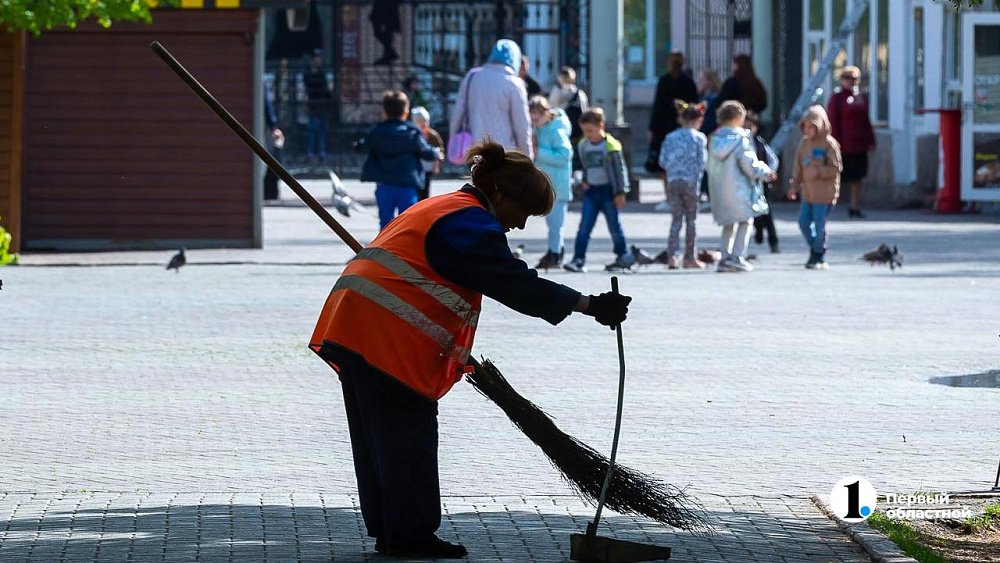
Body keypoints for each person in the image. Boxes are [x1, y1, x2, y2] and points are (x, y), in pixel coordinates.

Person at [309, 139, 633, 559]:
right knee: (406, 435)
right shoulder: (470, 224)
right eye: (524, 213)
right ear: (499, 194)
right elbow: (513, 282)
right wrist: (588, 305)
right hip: (384, 335)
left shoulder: (445, 208)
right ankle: (409, 537)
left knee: (381, 439)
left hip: (357, 326)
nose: (519, 225)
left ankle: (394, 531)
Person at [707, 101, 777, 273]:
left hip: (719, 190)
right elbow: (749, 163)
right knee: (746, 221)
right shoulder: (741, 139)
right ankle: (737, 257)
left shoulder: (715, 139)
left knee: (728, 223)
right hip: (740, 189)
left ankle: (725, 257)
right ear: (739, 118)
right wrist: (765, 172)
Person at [359, 90, 443, 229]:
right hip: (407, 185)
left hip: (385, 185)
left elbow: (364, 146)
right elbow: (426, 152)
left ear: (384, 112)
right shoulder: (412, 133)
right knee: (407, 224)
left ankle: (384, 249)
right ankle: (404, 250)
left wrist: (358, 144)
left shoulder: (378, 131)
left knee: (385, 224)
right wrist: (435, 153)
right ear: (405, 112)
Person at [564, 108, 634, 273]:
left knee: (615, 227)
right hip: (591, 191)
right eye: (584, 131)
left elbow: (620, 171)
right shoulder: (583, 145)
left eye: (590, 130)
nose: (587, 134)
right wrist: (583, 180)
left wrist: (621, 192)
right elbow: (580, 166)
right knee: (584, 227)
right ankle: (578, 259)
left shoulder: (611, 146)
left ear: (601, 125)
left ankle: (622, 257)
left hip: (609, 191)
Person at [450, 39, 533, 158]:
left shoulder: (472, 76)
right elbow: (522, 126)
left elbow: (457, 113)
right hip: (504, 152)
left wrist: (454, 141)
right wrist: (527, 156)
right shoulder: (514, 84)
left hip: (475, 150)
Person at [787, 105, 843, 270]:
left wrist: (819, 172)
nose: (808, 130)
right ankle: (816, 247)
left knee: (820, 224)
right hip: (808, 193)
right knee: (803, 222)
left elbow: (835, 168)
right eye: (805, 126)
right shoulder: (804, 144)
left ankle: (818, 254)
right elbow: (798, 167)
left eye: (812, 126)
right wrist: (794, 186)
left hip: (825, 194)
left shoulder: (829, 144)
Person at [656, 100, 708, 269]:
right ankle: (690, 258)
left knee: (676, 220)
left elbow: (662, 161)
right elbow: (703, 162)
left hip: (672, 182)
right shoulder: (699, 138)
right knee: (691, 221)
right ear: (697, 120)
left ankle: (672, 257)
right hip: (691, 183)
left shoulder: (669, 137)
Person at [528, 96, 573, 270]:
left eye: (537, 117)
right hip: (549, 184)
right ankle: (555, 251)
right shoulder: (543, 128)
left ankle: (555, 253)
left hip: (558, 185)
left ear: (546, 114)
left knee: (556, 224)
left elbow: (564, 156)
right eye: (532, 118)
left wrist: (539, 151)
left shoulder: (556, 130)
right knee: (552, 222)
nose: (535, 121)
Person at [827, 65, 876, 218]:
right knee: (838, 175)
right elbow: (832, 121)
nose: (851, 81)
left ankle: (854, 206)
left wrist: (871, 140)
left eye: (854, 79)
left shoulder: (860, 97)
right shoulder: (837, 97)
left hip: (858, 143)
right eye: (847, 78)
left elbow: (866, 120)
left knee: (857, 176)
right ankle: (830, 204)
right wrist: (834, 143)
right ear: (841, 80)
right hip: (843, 144)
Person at [647, 51, 698, 173]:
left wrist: (652, 128)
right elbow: (694, 104)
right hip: (684, 124)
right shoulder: (688, 82)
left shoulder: (664, 81)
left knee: (665, 164)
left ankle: (668, 189)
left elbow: (657, 106)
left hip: (663, 127)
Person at [746, 111, 781, 253]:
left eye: (751, 127)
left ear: (755, 128)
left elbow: (773, 160)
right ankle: (758, 229)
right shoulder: (739, 143)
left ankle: (774, 242)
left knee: (766, 212)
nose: (748, 130)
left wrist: (769, 172)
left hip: (761, 183)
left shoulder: (760, 143)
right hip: (746, 184)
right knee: (750, 211)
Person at [547, 66, 589, 173]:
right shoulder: (580, 94)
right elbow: (585, 114)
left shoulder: (555, 92)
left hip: (559, 134)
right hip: (576, 135)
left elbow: (549, 111)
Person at [410, 106, 444, 201]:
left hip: (428, 166)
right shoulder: (412, 134)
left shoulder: (432, 135)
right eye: (420, 122)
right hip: (416, 166)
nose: (423, 124)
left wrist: (437, 162)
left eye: (425, 121)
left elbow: (440, 149)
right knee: (416, 189)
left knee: (425, 188)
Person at [304, 54, 332, 163]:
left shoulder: (321, 73)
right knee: (312, 130)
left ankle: (321, 152)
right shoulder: (309, 73)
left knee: (321, 130)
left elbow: (324, 88)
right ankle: (311, 153)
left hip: (322, 105)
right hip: (314, 105)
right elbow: (309, 84)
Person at [263, 85, 285, 201]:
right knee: (272, 160)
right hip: (264, 127)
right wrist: (273, 126)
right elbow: (267, 105)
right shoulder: (262, 82)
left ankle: (270, 191)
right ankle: (271, 192)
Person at [696, 69, 722, 135]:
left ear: (710, 81)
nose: (698, 81)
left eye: (702, 79)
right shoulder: (701, 96)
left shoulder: (712, 98)